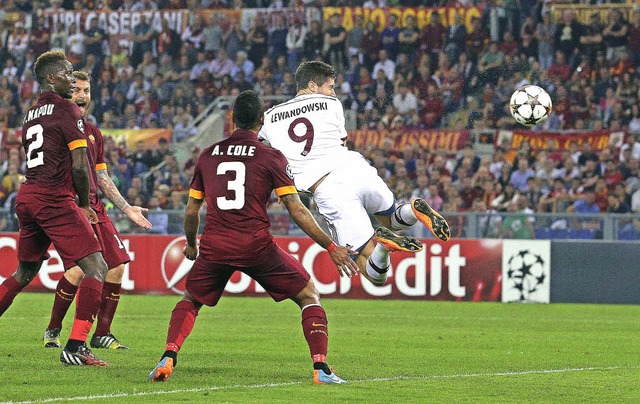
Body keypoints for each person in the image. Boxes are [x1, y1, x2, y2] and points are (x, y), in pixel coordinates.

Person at [148, 91, 358, 384]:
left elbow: (192, 209)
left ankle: (167, 357)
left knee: (191, 299)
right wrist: (331, 246)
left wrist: (193, 244)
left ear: (232, 119)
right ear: (263, 120)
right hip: (256, 246)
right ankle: (321, 369)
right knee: (308, 295)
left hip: (216, 246)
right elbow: (296, 209)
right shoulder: (271, 157)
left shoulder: (207, 156)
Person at [258, 61, 450, 287]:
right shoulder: (332, 104)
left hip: (328, 188)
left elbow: (259, 151)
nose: (333, 92)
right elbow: (341, 140)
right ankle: (414, 210)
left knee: (373, 273)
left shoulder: (270, 116)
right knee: (393, 220)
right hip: (355, 166)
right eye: (330, 86)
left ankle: (383, 246)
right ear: (312, 85)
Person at [0, 50, 109, 366]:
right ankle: (76, 346)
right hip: (52, 199)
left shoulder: (31, 113)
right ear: (50, 77)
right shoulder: (68, 111)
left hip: (28, 197)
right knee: (96, 267)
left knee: (25, 271)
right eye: (66, 72)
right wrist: (86, 204)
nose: (72, 78)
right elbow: (78, 166)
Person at [42, 71, 153, 351]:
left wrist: (127, 208)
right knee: (80, 271)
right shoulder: (56, 126)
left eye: (87, 90)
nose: (82, 96)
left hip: (96, 208)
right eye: (77, 90)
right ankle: (53, 330)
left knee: (116, 268)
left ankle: (102, 333)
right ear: (66, 94)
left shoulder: (94, 134)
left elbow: (102, 177)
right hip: (71, 207)